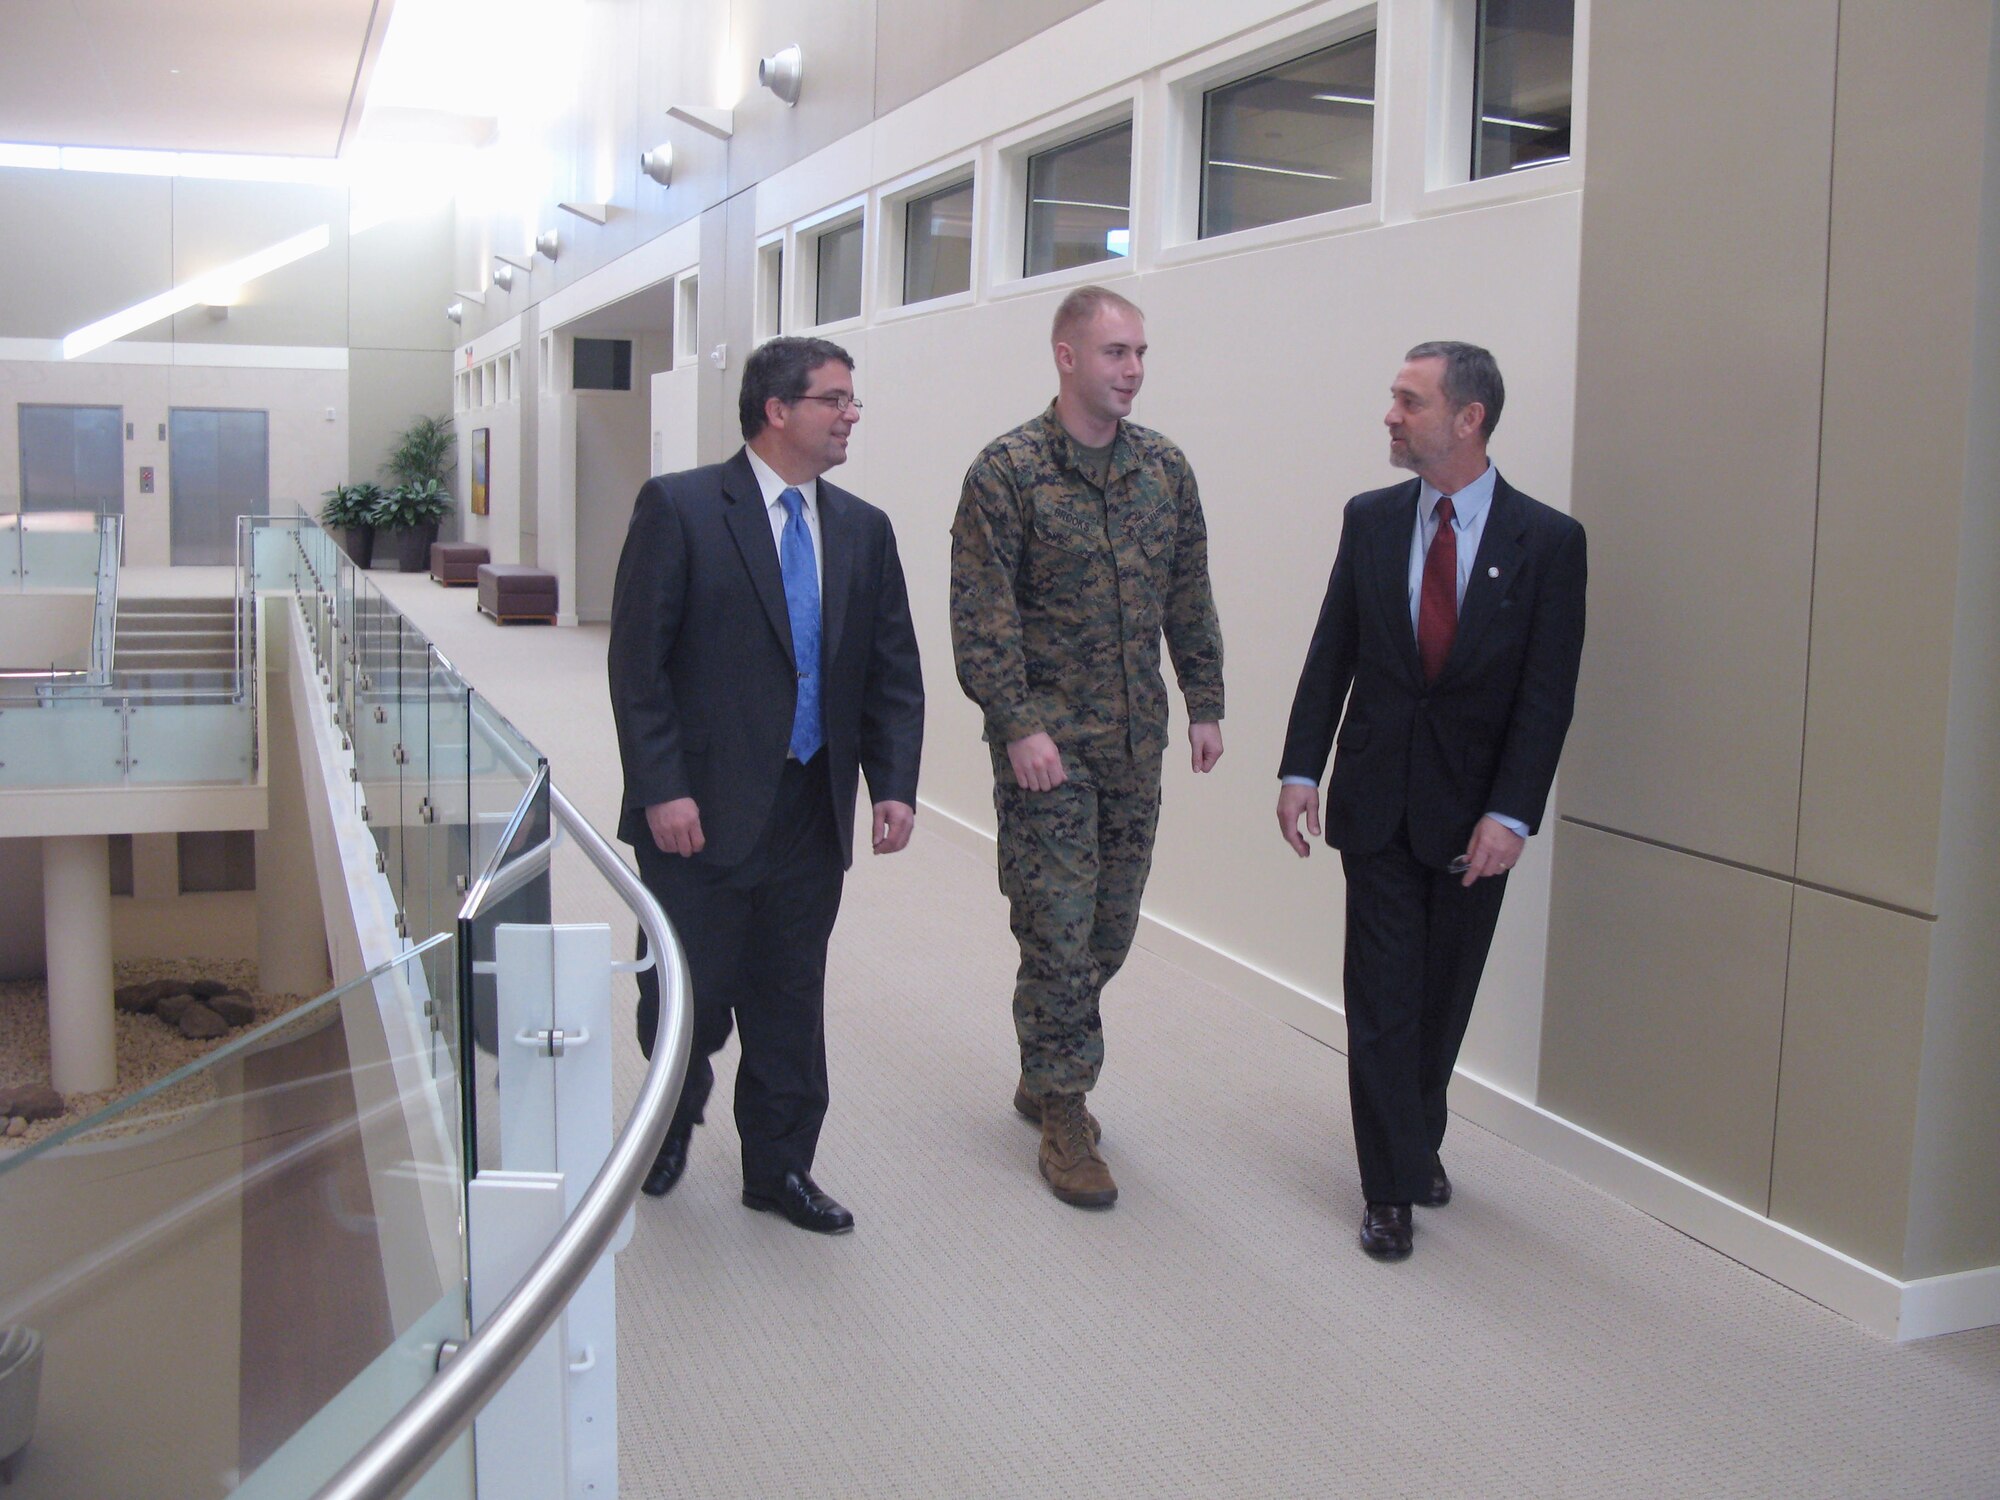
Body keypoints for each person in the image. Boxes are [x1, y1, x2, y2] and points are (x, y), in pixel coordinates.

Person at [1276, 341, 1586, 1260]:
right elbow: (1333, 649)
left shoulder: (1549, 543)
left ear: (1468, 419)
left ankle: (1417, 1135)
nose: (1390, 415)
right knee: (1379, 1000)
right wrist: (1301, 768)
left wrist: (1514, 811)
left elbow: (1547, 695)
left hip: (1473, 817)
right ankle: (1389, 1189)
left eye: (1408, 401)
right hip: (1373, 800)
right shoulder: (1369, 520)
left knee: (1442, 998)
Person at [608, 336, 924, 1235]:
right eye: (834, 400)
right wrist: (662, 786)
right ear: (776, 411)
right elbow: (639, 668)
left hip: (809, 805)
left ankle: (779, 1169)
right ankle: (670, 1119)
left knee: (791, 998)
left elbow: (891, 667)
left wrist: (893, 780)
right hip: (697, 811)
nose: (850, 414)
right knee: (689, 993)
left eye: (852, 401)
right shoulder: (681, 508)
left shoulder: (863, 528)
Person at [950, 285, 1225, 1210]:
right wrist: (1018, 725)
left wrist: (1204, 700)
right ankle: (1065, 1109)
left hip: (1133, 743)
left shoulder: (1165, 471)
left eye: (1141, 353)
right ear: (1067, 357)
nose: (1134, 371)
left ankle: (1043, 1057)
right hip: (1049, 753)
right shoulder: (1009, 472)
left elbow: (1189, 592)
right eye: (1116, 354)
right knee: (1059, 931)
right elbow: (980, 620)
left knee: (1109, 926)